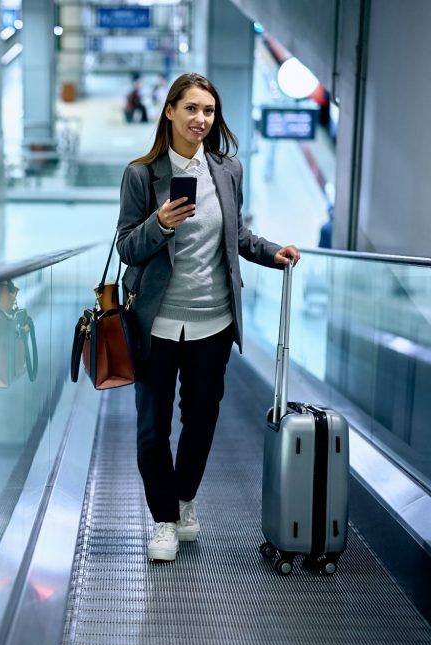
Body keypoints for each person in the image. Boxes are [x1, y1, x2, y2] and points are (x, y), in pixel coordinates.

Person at [114, 72, 301, 562]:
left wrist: (271, 252)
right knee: (152, 427)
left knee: (201, 419)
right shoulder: (142, 174)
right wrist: (159, 224)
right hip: (156, 323)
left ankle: (184, 499)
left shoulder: (228, 169)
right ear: (170, 111)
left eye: (209, 111)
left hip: (213, 322)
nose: (201, 119)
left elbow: (236, 234)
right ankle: (162, 520)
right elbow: (127, 247)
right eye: (192, 108)